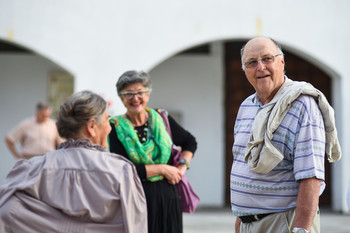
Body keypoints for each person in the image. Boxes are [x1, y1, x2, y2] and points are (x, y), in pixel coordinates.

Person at [230, 37, 341, 233]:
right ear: (244, 69)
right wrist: (241, 221)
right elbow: (242, 165)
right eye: (252, 62)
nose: (260, 67)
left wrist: (300, 229)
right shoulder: (246, 105)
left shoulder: (302, 105)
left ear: (281, 62)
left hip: (283, 223)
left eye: (267, 59)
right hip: (249, 223)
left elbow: (311, 177)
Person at [0, 90, 147, 233]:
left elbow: (6, 213)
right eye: (108, 119)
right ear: (91, 127)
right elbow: (136, 226)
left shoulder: (31, 169)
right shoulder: (121, 170)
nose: (110, 126)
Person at [108, 70, 197, 233]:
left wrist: (181, 168)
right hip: (135, 200)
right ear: (121, 98)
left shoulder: (162, 119)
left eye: (140, 92)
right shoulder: (114, 128)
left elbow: (190, 142)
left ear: (148, 94)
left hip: (168, 199)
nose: (135, 98)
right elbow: (121, 169)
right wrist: (163, 169)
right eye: (128, 94)